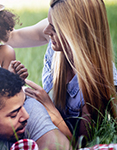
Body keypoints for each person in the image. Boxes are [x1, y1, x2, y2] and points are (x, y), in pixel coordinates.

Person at [8, 0, 117, 142]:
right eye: (48, 23)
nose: (47, 31)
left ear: (76, 34)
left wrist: (50, 110)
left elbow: (79, 144)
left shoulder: (95, 86)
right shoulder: (58, 44)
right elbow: (11, 37)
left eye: (54, 28)